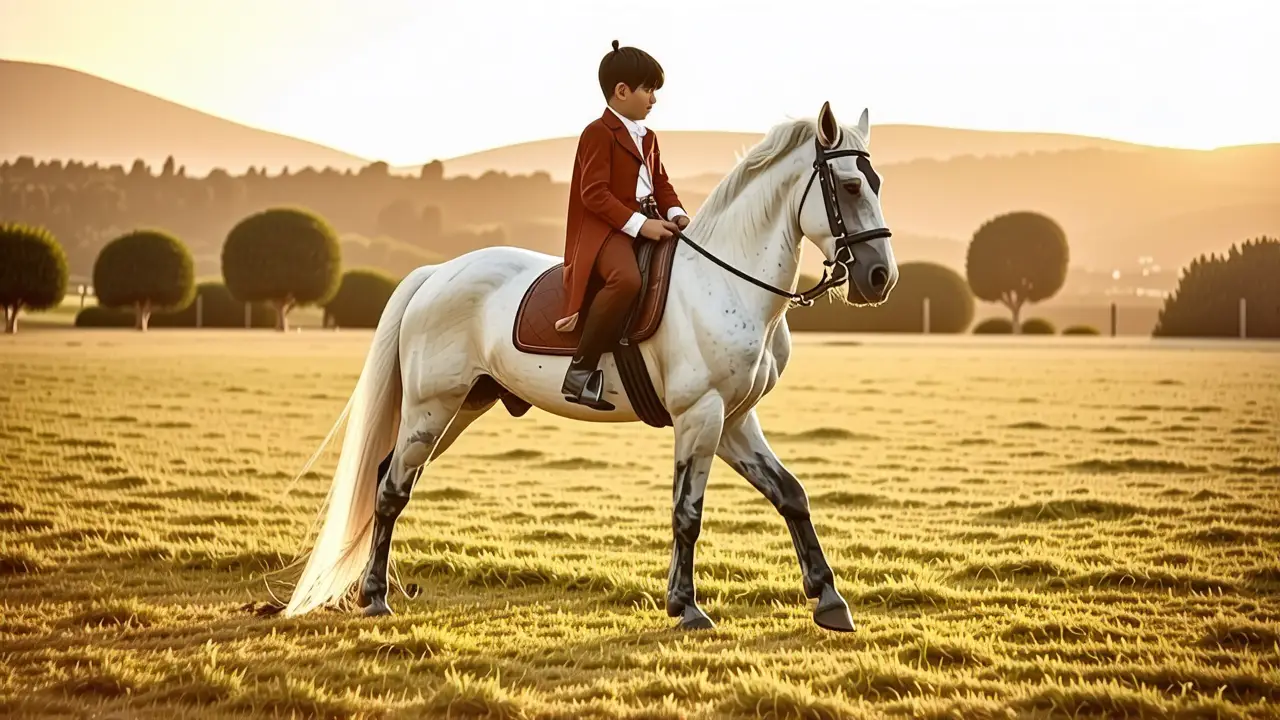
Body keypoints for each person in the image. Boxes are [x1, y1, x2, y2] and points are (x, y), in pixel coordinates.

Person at [556, 40, 690, 411]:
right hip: (607, 230)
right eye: (649, 90)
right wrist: (641, 226)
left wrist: (676, 212)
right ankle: (580, 372)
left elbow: (660, 183)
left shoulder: (649, 138)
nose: (654, 99)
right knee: (627, 280)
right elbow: (593, 194)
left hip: (649, 219)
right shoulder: (597, 132)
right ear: (621, 91)